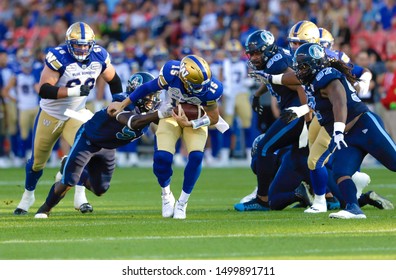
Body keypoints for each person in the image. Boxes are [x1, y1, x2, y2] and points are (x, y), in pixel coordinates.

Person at [251, 21, 373, 213]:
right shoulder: (298, 58)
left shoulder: (329, 58)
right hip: (316, 113)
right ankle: (332, 194)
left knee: (316, 158)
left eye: (298, 43)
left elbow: (360, 72)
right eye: (293, 43)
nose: (294, 48)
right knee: (313, 158)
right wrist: (263, 87)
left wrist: (364, 81)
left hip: (332, 116)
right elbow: (291, 79)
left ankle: (326, 199)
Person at [14, 22, 123, 215]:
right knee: (37, 162)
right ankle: (28, 195)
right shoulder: (58, 57)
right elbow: (44, 90)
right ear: (68, 43)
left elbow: (114, 80)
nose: (82, 48)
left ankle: (80, 197)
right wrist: (73, 91)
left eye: (85, 44)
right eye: (77, 44)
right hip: (52, 113)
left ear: (91, 43)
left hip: (76, 112)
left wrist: (118, 102)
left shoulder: (99, 56)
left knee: (86, 152)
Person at [34, 72, 172, 218]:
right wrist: (161, 114)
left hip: (108, 148)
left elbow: (164, 122)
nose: (152, 99)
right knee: (69, 181)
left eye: (154, 95)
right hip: (88, 141)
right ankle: (44, 210)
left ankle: (68, 165)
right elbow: (133, 122)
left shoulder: (148, 111)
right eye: (148, 95)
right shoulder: (121, 102)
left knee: (100, 189)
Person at [107, 54, 224, 219]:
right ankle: (166, 194)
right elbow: (147, 87)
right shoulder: (171, 72)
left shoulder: (212, 88)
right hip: (171, 112)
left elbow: (214, 118)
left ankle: (182, 202)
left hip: (196, 119)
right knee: (162, 157)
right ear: (183, 78)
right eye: (195, 85)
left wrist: (191, 124)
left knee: (196, 156)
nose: (200, 89)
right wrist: (123, 104)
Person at [293, 42, 396, 219]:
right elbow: (319, 106)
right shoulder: (313, 83)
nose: (300, 71)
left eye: (303, 66)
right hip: (347, 135)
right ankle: (353, 208)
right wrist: (300, 111)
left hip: (364, 125)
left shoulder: (327, 75)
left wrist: (338, 130)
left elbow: (339, 101)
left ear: (315, 64)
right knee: (341, 171)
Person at [234, 29, 309, 212]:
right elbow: (274, 80)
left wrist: (306, 116)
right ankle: (324, 195)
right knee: (300, 158)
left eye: (257, 53)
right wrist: (258, 95)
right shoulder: (275, 58)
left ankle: (262, 199)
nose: (252, 57)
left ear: (267, 50)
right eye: (250, 53)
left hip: (296, 113)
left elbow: (300, 83)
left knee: (264, 148)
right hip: (295, 111)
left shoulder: (276, 63)